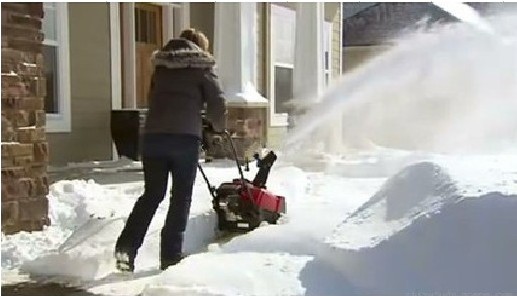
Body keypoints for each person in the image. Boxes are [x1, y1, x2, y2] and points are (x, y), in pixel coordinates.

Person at [115, 28, 226, 272]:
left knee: (152, 194)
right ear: (200, 48)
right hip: (184, 140)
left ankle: (126, 247)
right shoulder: (202, 67)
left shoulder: (161, 69)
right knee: (180, 197)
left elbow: (153, 97)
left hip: (153, 138)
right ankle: (170, 256)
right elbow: (218, 102)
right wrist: (215, 126)